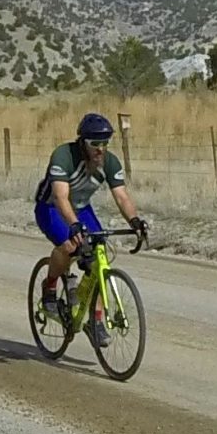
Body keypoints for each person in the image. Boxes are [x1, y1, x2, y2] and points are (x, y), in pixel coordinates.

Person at [35, 112, 148, 341]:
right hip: (51, 208)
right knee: (69, 245)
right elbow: (60, 197)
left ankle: (95, 320)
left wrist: (135, 222)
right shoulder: (64, 156)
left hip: (81, 208)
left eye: (105, 143)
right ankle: (50, 290)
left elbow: (122, 197)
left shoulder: (109, 162)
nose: (100, 149)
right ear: (82, 143)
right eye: (95, 143)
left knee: (99, 256)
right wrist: (74, 226)